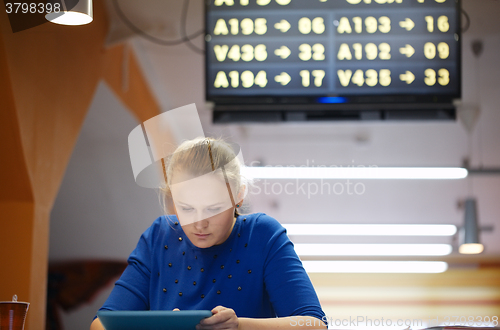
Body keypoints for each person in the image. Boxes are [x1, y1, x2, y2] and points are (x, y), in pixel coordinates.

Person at [90, 137, 327, 330]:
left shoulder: (262, 234)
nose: (199, 224)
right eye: (186, 208)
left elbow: (313, 324)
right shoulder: (159, 236)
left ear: (238, 196)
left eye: (213, 209)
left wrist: (239, 326)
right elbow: (101, 324)